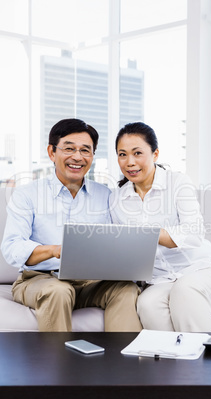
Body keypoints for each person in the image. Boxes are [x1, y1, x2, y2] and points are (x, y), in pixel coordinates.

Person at [1, 118, 142, 332]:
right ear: (52, 152)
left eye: (86, 150)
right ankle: (59, 365)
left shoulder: (106, 195)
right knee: (58, 291)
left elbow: (118, 239)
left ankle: (123, 362)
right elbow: (11, 248)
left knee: (125, 289)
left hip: (90, 282)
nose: (77, 157)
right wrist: (54, 250)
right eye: (69, 149)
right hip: (40, 279)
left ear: (93, 156)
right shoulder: (26, 195)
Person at [109, 122, 211, 332]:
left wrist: (147, 234)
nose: (130, 162)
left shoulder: (178, 182)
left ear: (155, 154)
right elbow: (123, 246)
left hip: (209, 270)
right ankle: (172, 362)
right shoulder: (116, 199)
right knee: (147, 304)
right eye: (122, 154)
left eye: (137, 153)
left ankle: (204, 362)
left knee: (186, 289)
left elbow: (194, 233)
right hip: (162, 281)